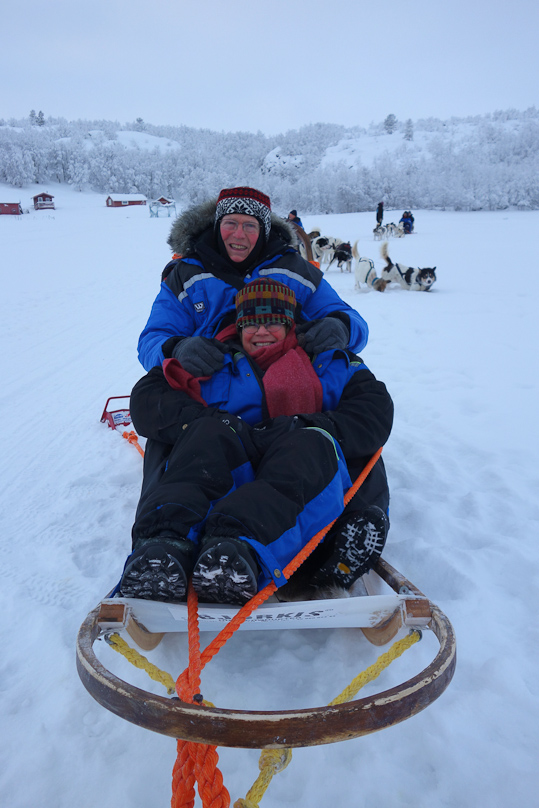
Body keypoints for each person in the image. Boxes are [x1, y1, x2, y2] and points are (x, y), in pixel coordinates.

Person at [118, 279, 393, 605]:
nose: (261, 331)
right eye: (251, 323)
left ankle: (240, 554)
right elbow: (147, 399)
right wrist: (204, 420)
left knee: (309, 445)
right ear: (239, 326)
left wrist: (309, 425)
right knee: (205, 438)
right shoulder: (211, 360)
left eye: (272, 322)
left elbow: (374, 410)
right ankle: (165, 546)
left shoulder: (327, 361)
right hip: (225, 465)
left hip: (296, 469)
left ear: (289, 323)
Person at [137, 187, 368, 373]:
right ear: (217, 227)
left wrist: (341, 327)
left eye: (250, 225)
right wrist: (177, 350)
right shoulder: (186, 275)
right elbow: (153, 338)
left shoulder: (295, 270)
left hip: (292, 379)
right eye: (230, 223)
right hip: (212, 385)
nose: (239, 234)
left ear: (264, 231)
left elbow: (352, 320)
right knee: (147, 396)